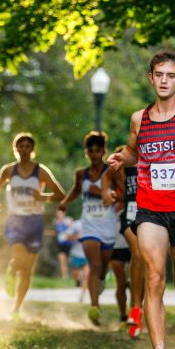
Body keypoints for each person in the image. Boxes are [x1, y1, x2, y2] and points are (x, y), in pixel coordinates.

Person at [107, 49, 175, 349]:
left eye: (170, 76)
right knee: (155, 276)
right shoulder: (140, 118)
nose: (164, 81)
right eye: (159, 75)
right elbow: (136, 153)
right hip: (151, 209)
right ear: (151, 78)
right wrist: (123, 159)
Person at [0, 132, 65, 318]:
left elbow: (60, 194)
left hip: (34, 221)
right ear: (15, 149)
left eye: (27, 146)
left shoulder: (40, 171)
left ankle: (16, 309)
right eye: (20, 146)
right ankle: (11, 271)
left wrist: (43, 196)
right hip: (16, 219)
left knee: (28, 269)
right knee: (18, 255)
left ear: (32, 149)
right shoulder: (9, 170)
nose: (24, 149)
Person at [59, 131, 119, 325]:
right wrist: (65, 203)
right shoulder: (81, 174)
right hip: (89, 225)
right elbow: (76, 190)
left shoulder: (112, 172)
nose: (94, 154)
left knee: (102, 269)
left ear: (103, 151)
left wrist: (108, 195)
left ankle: (100, 282)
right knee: (94, 265)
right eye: (90, 151)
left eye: (98, 150)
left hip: (108, 225)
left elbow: (124, 194)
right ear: (87, 152)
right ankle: (95, 306)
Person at [105, 149, 144, 338]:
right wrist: (108, 192)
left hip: (154, 212)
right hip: (130, 214)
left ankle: (139, 305)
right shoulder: (125, 160)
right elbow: (107, 174)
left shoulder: (158, 153)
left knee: (148, 263)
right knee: (138, 254)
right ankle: (135, 308)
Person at [109, 225, 131, 326]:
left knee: (136, 284)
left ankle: (134, 314)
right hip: (116, 245)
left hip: (135, 244)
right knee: (121, 283)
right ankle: (123, 316)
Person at [63, 219, 89, 303]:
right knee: (76, 274)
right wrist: (76, 237)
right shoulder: (76, 224)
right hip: (76, 253)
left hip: (89, 254)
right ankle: (77, 280)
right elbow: (67, 236)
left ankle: (82, 296)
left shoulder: (95, 223)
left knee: (86, 275)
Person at [54, 210, 74, 279]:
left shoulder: (68, 220)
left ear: (64, 214)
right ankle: (65, 277)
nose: (60, 215)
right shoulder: (56, 222)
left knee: (71, 261)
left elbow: (73, 229)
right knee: (62, 261)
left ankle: (74, 276)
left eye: (61, 213)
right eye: (58, 214)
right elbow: (57, 233)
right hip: (61, 244)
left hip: (69, 244)